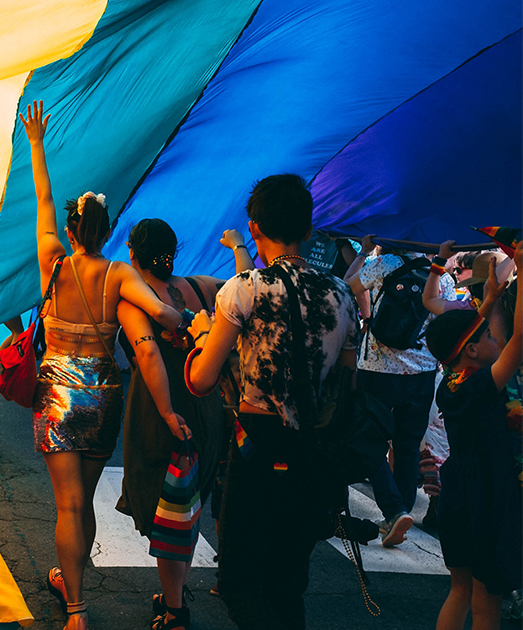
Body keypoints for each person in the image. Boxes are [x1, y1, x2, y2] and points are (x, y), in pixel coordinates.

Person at [19, 100, 181, 630]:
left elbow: (42, 197)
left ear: (71, 229)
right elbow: (161, 312)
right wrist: (194, 319)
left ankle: (76, 609)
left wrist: (37, 144)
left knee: (66, 506)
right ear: (108, 231)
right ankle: (73, 583)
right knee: (83, 502)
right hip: (103, 393)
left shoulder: (54, 261)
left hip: (58, 391)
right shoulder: (117, 275)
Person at [186, 174, 361, 630]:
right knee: (288, 582)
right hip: (314, 453)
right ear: (308, 229)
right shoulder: (342, 296)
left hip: (256, 450)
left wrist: (202, 336)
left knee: (241, 581)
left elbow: (201, 380)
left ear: (254, 227)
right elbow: (346, 384)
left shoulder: (244, 289)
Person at [115, 220, 250, 629]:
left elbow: (149, 355)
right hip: (206, 405)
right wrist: (237, 245)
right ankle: (173, 592)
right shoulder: (205, 286)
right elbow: (248, 284)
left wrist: (166, 413)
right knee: (188, 506)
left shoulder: (134, 300)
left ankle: (175, 610)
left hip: (161, 410)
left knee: (168, 507)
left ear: (134, 255)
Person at [426, 245, 521, 630]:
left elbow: (473, 336)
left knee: (460, 591)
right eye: (488, 336)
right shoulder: (484, 385)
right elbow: (518, 340)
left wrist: (491, 301)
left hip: (458, 493)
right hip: (488, 498)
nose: (496, 339)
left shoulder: (453, 384)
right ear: (471, 351)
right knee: (487, 603)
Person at [343, 234, 456, 546]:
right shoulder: (441, 276)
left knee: (369, 440)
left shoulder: (383, 264)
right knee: (406, 447)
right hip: (421, 372)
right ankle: (401, 510)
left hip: (376, 370)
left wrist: (363, 253)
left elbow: (346, 287)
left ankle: (393, 511)